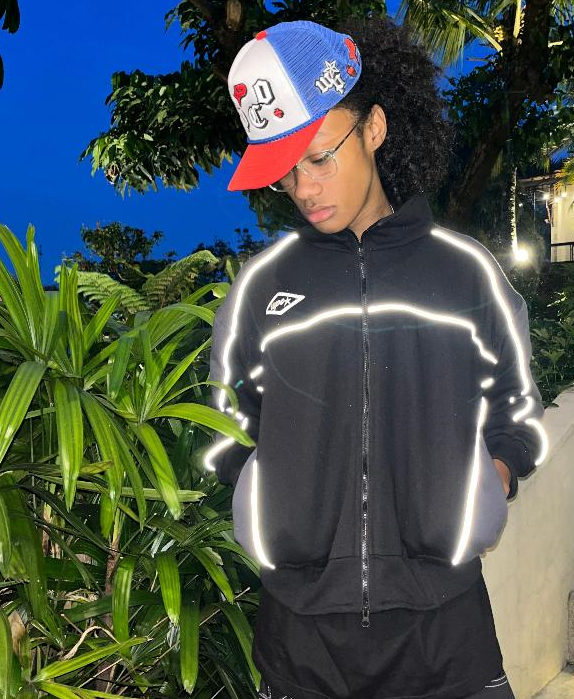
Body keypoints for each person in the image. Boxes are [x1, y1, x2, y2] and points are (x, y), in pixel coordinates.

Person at [207, 15, 548, 699]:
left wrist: (491, 480)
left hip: (445, 634)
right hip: (301, 642)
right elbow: (222, 427)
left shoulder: (465, 274)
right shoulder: (261, 288)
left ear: (374, 128)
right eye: (284, 173)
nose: (304, 189)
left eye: (318, 157)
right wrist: (270, 506)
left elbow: (517, 413)